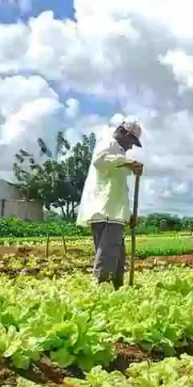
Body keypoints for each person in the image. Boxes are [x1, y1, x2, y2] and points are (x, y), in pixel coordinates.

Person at [76, 120, 145, 289]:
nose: (131, 147)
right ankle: (101, 288)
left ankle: (117, 289)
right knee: (108, 253)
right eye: (132, 141)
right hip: (105, 212)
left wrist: (128, 214)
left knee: (118, 256)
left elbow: (118, 190)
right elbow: (99, 161)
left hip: (113, 212)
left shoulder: (118, 151)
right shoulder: (109, 143)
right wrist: (129, 162)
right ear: (125, 133)